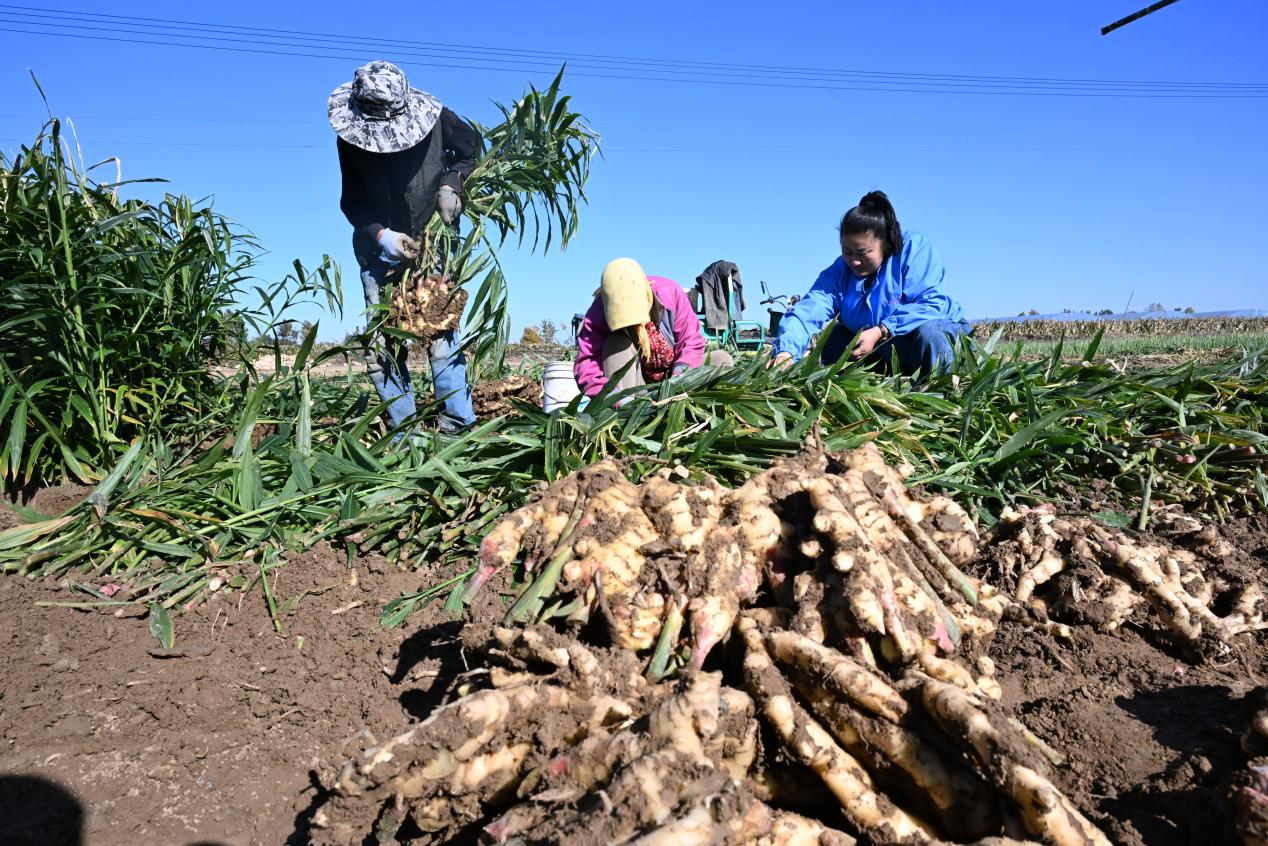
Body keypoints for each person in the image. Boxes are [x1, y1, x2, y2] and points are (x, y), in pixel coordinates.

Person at [328, 60, 478, 434]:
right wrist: (381, 235)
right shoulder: (351, 139)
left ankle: (456, 426)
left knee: (441, 334)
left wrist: (453, 183)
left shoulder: (439, 119)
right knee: (384, 340)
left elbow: (469, 149)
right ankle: (403, 432)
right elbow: (353, 201)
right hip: (378, 252)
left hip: (434, 242)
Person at [771, 191, 970, 377]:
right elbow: (807, 311)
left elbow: (932, 304)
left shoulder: (913, 250)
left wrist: (881, 330)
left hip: (930, 338)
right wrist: (785, 353)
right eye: (847, 252)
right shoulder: (840, 273)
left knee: (929, 332)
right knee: (836, 336)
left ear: (885, 244)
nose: (854, 261)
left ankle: (943, 387)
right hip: (883, 348)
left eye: (864, 253)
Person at [574, 258, 729, 398]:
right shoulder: (599, 311)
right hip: (635, 383)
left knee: (722, 360)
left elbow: (691, 341)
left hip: (672, 375)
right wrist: (611, 397)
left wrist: (680, 376)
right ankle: (627, 413)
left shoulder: (670, 293)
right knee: (615, 343)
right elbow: (586, 364)